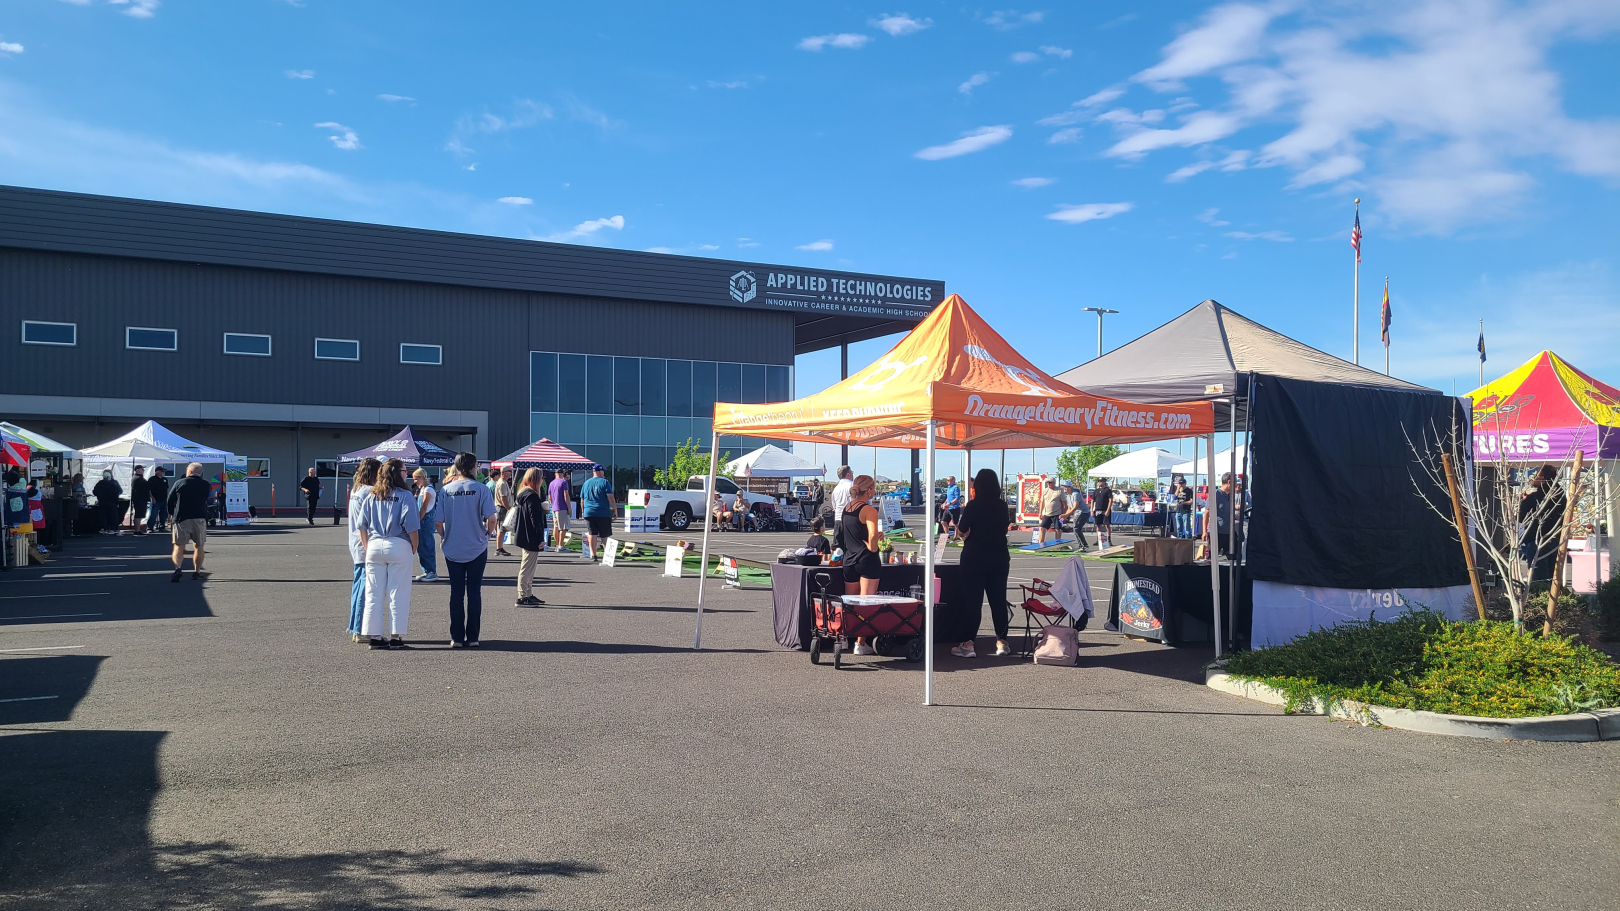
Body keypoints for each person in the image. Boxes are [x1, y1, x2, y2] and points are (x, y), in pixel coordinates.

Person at [355, 458, 420, 649]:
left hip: (375, 545)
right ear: (397, 474)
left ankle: (374, 635)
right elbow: (412, 525)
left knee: (373, 592)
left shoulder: (372, 496)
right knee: (398, 592)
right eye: (405, 471)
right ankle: (395, 636)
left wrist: (367, 546)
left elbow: (361, 525)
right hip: (399, 543)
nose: (407, 474)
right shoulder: (405, 496)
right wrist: (414, 546)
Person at [438, 452, 497, 647]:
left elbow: (438, 522)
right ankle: (473, 637)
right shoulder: (481, 489)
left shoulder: (446, 490)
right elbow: (492, 518)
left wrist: (444, 536)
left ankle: (456, 637)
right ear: (473, 467)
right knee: (474, 591)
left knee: (456, 592)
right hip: (476, 546)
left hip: (452, 546)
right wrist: (487, 535)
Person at [954, 468, 1013, 658]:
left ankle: (968, 644)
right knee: (998, 601)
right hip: (998, 557)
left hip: (974, 557)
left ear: (977, 485)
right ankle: (1002, 642)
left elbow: (962, 529)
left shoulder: (973, 505)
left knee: (973, 602)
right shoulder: (1002, 506)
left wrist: (966, 532)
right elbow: (1004, 529)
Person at [834, 474, 884, 656]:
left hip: (849, 560)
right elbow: (872, 536)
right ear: (869, 490)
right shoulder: (869, 510)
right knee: (866, 603)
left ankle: (844, 637)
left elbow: (850, 533)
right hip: (866, 560)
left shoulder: (847, 508)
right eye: (874, 488)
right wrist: (874, 545)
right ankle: (860, 643)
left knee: (850, 603)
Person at [345, 458, 382, 642]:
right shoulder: (370, 491)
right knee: (365, 588)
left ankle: (355, 626)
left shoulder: (356, 489)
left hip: (355, 542)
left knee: (358, 585)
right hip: (365, 543)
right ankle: (360, 628)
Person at [1519, 465, 1567, 584]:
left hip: (1537, 540)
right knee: (1552, 576)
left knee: (1539, 578)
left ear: (1542, 478)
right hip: (1555, 539)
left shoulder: (1536, 497)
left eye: (1536, 476)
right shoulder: (1561, 495)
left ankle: (1540, 594)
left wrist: (1524, 501)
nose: (1534, 479)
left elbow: (1521, 517)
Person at [167, 462, 212, 581]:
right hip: (199, 517)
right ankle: (197, 572)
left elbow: (170, 499)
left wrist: (172, 513)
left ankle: (178, 568)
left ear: (190, 471)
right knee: (199, 545)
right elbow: (206, 498)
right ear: (200, 472)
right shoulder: (206, 484)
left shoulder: (180, 483)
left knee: (179, 545)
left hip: (182, 518)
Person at [513, 468, 549, 606]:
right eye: (541, 477)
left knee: (529, 566)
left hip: (524, 533)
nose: (542, 480)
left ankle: (528, 593)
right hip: (531, 535)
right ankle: (522, 596)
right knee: (527, 567)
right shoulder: (532, 496)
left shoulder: (523, 493)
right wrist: (540, 537)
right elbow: (535, 519)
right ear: (535, 479)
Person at [578, 463, 615, 561]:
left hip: (589, 512)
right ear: (599, 472)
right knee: (604, 535)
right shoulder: (605, 482)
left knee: (592, 533)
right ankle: (607, 556)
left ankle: (593, 555)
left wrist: (583, 511)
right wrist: (615, 509)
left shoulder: (586, 483)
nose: (603, 473)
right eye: (602, 471)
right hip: (602, 512)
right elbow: (610, 497)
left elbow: (582, 499)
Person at [1204, 472, 1244, 558]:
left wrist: (1234, 516)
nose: (1236, 485)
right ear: (1229, 482)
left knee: (1235, 555)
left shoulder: (1231, 495)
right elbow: (1206, 513)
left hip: (1230, 531)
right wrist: (1204, 531)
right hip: (1216, 532)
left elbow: (1227, 510)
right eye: (1235, 482)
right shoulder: (1216, 495)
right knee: (1211, 558)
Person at [412, 468, 440, 582]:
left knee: (427, 545)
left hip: (426, 520)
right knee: (421, 547)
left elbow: (424, 507)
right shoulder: (423, 489)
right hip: (422, 520)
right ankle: (426, 570)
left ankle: (432, 571)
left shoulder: (428, 489)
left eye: (416, 479)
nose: (415, 481)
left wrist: (417, 521)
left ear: (422, 477)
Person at [492, 467, 515, 556]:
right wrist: (509, 508)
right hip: (502, 508)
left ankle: (500, 547)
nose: (510, 473)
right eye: (509, 471)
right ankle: (499, 548)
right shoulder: (502, 483)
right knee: (501, 529)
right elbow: (503, 498)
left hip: (502, 508)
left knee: (502, 529)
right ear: (504, 473)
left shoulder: (503, 482)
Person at [548, 469, 573, 552]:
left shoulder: (551, 483)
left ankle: (557, 545)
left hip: (554, 507)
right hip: (562, 507)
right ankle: (561, 546)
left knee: (556, 527)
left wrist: (553, 504)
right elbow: (566, 495)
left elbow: (549, 497)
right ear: (562, 474)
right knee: (563, 528)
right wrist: (569, 507)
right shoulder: (563, 482)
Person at [93, 469, 122, 535]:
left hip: (102, 502)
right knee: (113, 516)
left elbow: (95, 492)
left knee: (103, 516)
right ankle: (113, 528)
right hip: (112, 502)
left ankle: (105, 528)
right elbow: (117, 492)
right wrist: (117, 501)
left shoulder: (100, 483)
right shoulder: (114, 483)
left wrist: (100, 496)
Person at [1061, 479, 1089, 548]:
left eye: (1066, 486)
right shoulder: (1068, 496)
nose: (1064, 488)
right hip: (1077, 513)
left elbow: (1076, 506)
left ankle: (1084, 545)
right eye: (1064, 486)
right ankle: (1081, 545)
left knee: (1077, 528)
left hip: (1084, 512)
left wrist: (1066, 515)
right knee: (1075, 529)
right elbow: (1069, 508)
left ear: (1070, 487)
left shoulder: (1075, 494)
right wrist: (1065, 516)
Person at [1038, 476, 1065, 545]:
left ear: (1054, 483)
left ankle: (1057, 545)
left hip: (1057, 513)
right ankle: (1040, 544)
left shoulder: (1059, 490)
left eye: (1050, 482)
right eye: (1048, 482)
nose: (1048, 484)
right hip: (1047, 513)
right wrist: (1040, 513)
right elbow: (1042, 502)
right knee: (1042, 528)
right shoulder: (1045, 490)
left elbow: (1064, 503)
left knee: (1057, 529)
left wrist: (1063, 514)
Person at [1091, 477, 1114, 551]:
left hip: (1105, 510)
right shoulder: (1096, 491)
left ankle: (1109, 539)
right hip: (1097, 510)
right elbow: (1092, 500)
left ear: (1104, 482)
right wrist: (1092, 510)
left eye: (1101, 481)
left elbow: (1110, 500)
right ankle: (1098, 539)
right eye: (1098, 481)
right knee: (1098, 525)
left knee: (1107, 525)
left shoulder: (1108, 490)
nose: (1099, 482)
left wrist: (1108, 510)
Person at [146, 466, 170, 533]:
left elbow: (167, 489)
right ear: (157, 471)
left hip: (164, 500)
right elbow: (149, 489)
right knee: (153, 514)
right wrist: (152, 498)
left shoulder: (165, 479)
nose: (163, 473)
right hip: (155, 500)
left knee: (163, 514)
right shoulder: (152, 479)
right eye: (162, 471)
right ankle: (150, 527)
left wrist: (167, 497)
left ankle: (162, 527)